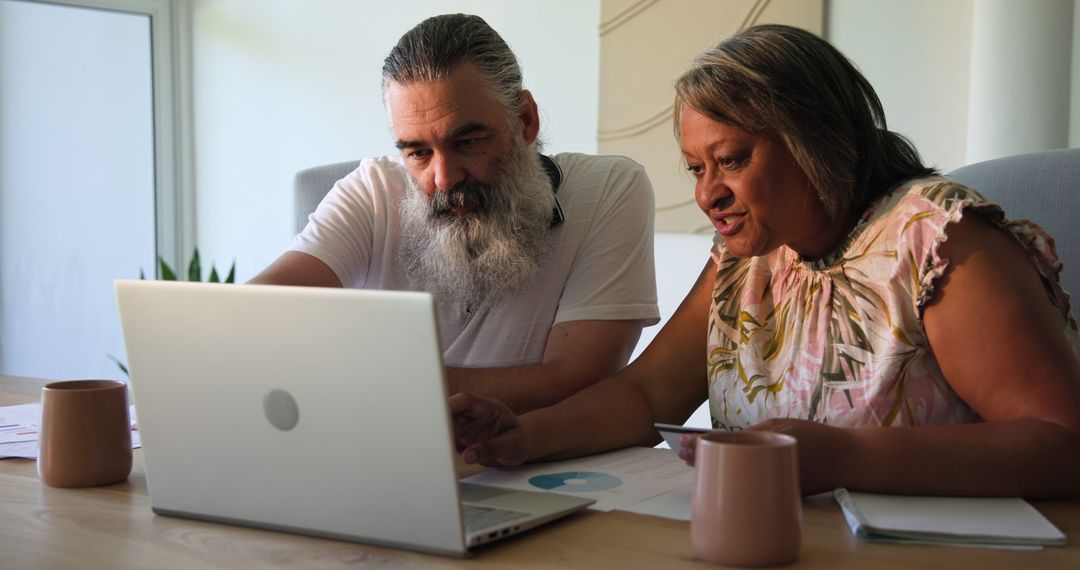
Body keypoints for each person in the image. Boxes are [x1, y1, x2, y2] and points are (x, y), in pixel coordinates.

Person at [451, 24, 1080, 498]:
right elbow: (645, 396)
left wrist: (845, 457)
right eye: (696, 168)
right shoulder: (743, 259)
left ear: (815, 142)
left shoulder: (938, 240)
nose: (707, 194)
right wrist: (525, 434)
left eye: (732, 160)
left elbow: (1063, 443)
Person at [250, 14, 659, 414]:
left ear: (525, 120)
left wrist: (377, 382)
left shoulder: (610, 189)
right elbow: (254, 315)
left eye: (468, 142)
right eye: (418, 153)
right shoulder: (374, 189)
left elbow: (579, 383)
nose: (444, 179)